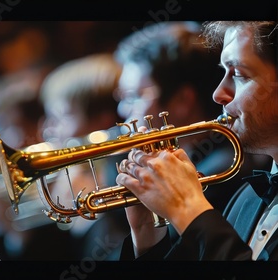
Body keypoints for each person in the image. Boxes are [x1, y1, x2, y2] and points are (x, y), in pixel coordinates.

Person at [116, 21, 278, 261]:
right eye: (224, 72)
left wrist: (188, 208)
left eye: (240, 75)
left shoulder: (230, 185)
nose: (218, 93)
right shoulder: (248, 197)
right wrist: (147, 237)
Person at [18, 52, 130, 260]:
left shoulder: (122, 178)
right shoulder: (76, 177)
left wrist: (88, 217)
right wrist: (15, 230)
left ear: (102, 121)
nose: (47, 129)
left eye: (61, 117)